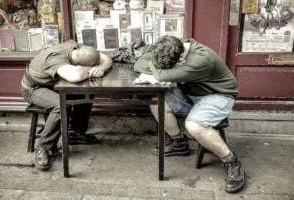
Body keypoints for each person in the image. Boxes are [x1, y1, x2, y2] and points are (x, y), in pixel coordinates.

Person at [134, 35, 245, 193]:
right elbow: (138, 64)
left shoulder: (201, 59)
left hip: (219, 95)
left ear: (179, 60)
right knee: (156, 102)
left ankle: (232, 161)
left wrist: (153, 66)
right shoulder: (170, 47)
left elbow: (161, 75)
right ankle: (179, 142)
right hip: (192, 94)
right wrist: (155, 63)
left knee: (194, 125)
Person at [21, 40, 112, 170]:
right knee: (60, 104)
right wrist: (93, 69)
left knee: (86, 90)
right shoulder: (55, 60)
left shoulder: (77, 48)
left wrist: (101, 68)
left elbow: (106, 59)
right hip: (33, 88)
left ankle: (75, 132)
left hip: (52, 85)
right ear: (79, 64)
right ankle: (43, 147)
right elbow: (76, 75)